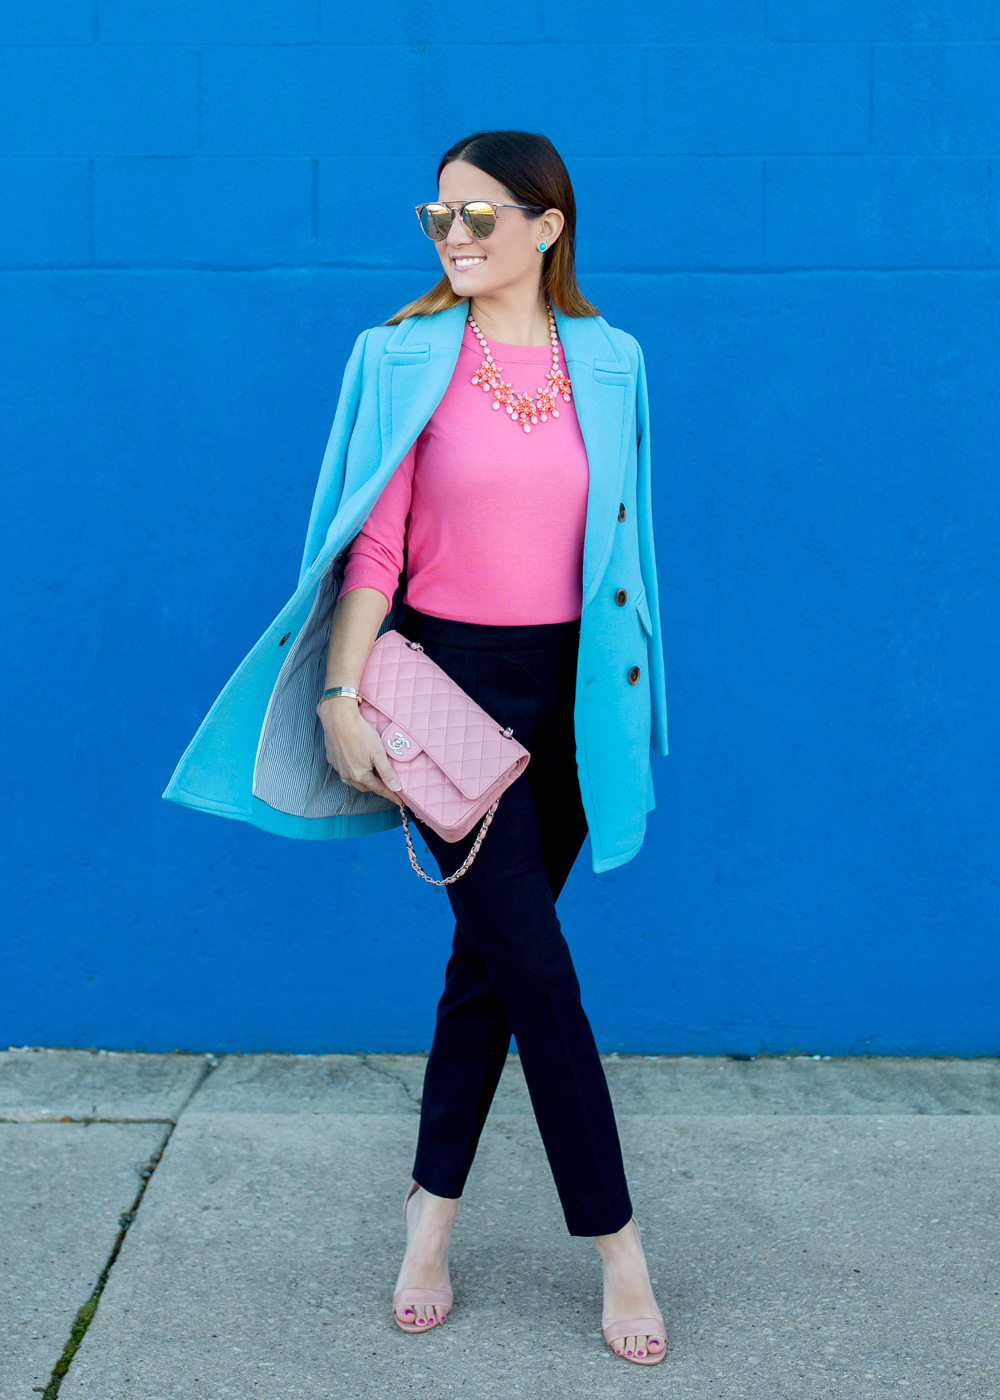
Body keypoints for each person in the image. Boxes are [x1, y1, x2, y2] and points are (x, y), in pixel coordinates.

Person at [163, 127, 668, 1364]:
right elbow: (372, 547)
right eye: (439, 214)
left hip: (578, 697)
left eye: (481, 215)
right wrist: (342, 695)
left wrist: (643, 701)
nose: (455, 235)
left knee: (486, 973)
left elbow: (625, 549)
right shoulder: (397, 357)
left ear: (547, 227)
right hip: (450, 692)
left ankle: (426, 1219)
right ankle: (620, 1249)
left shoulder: (613, 360)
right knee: (539, 973)